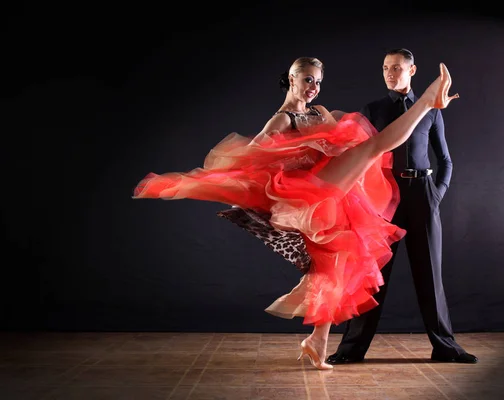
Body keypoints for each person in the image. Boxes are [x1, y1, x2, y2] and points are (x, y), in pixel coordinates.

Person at [132, 56, 459, 370]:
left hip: (336, 193)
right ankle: (428, 100)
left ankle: (317, 341)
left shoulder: (318, 111)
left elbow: (340, 140)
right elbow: (251, 155)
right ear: (292, 79)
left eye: (317, 81)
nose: (314, 87)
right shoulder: (282, 119)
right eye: (307, 80)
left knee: (338, 264)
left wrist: (338, 149)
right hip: (311, 190)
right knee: (375, 148)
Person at [326, 49, 478, 365]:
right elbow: (361, 158)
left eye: (396, 67)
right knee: (374, 274)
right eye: (385, 68)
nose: (390, 73)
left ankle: (446, 347)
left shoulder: (433, 110)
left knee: (430, 274)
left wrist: (436, 194)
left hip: (423, 193)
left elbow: (446, 160)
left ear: (412, 70)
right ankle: (351, 349)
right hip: (384, 198)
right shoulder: (373, 110)